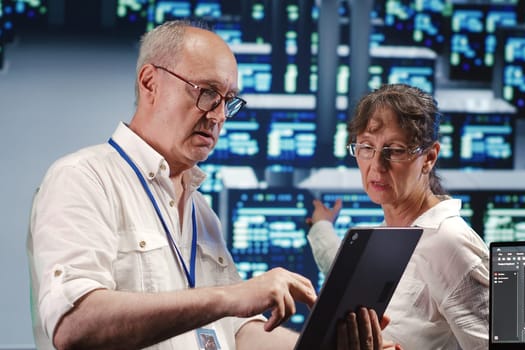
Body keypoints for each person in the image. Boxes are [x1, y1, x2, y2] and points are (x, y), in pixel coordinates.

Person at [27, 19, 393, 350]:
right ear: (150, 82)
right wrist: (231, 295)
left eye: (227, 101)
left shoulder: (200, 210)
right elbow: (74, 324)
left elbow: (234, 332)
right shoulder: (83, 178)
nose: (218, 116)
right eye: (206, 92)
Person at [307, 84, 490, 350]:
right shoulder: (385, 235)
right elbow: (345, 280)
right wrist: (322, 226)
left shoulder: (448, 242)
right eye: (367, 147)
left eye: (395, 150)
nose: (377, 166)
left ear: (429, 157)